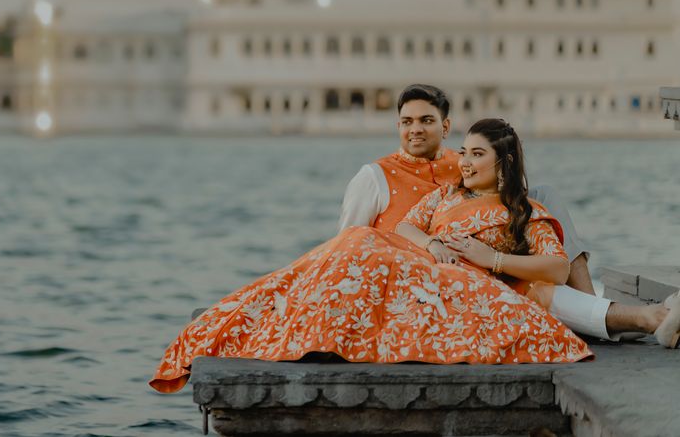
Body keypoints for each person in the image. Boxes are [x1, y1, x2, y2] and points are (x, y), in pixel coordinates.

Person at [150, 119, 593, 394]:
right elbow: (401, 226)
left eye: (476, 154)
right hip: (408, 257)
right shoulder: (430, 187)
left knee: (365, 254)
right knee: (355, 242)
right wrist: (431, 245)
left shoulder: (525, 206)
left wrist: (488, 259)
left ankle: (606, 315)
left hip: (464, 276)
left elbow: (552, 263)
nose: (465, 161)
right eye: (465, 152)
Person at [339, 84, 674, 343]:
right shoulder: (375, 176)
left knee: (542, 199)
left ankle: (593, 305)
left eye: (427, 120)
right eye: (407, 122)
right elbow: (351, 243)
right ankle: (618, 317)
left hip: (490, 260)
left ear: (445, 126)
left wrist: (494, 257)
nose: (416, 129)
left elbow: (502, 192)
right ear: (397, 125)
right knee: (528, 284)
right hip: (422, 273)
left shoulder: (461, 167)